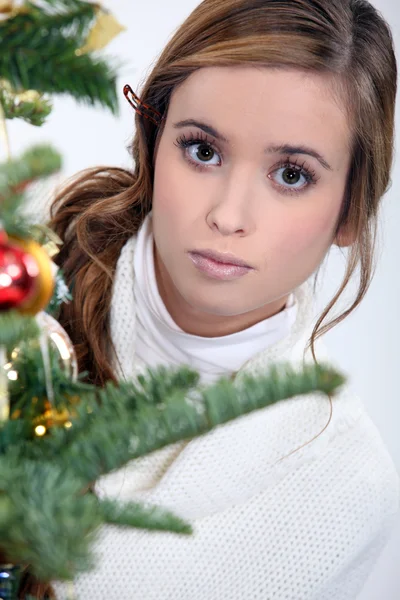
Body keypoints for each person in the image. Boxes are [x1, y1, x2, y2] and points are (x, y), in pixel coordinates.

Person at [49, 0, 399, 598]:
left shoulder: (343, 481)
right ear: (153, 141)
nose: (228, 216)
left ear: (350, 212)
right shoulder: (22, 274)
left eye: (291, 174)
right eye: (203, 150)